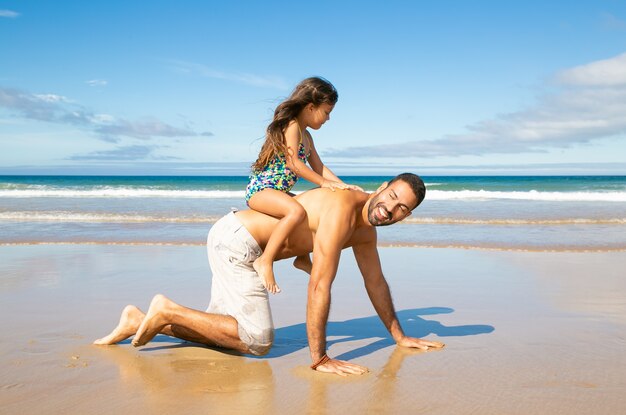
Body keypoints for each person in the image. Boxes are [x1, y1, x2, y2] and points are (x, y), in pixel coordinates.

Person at [94, 173, 445, 376]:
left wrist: (399, 336)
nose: (391, 209)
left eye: (403, 208)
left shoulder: (366, 231)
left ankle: (139, 320)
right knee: (258, 341)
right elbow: (320, 284)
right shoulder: (342, 209)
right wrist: (319, 357)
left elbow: (375, 283)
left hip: (244, 245)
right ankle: (167, 310)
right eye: (393, 196)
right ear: (382, 186)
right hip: (237, 243)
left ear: (406, 216)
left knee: (220, 333)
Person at [246, 76, 362, 294]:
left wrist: (343, 186)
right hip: (260, 190)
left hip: (278, 190)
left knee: (310, 213)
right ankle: (265, 260)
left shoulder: (307, 136)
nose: (328, 119)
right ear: (311, 107)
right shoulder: (292, 126)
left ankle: (301, 258)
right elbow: (294, 164)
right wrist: (324, 184)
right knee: (295, 211)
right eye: (327, 112)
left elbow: (319, 166)